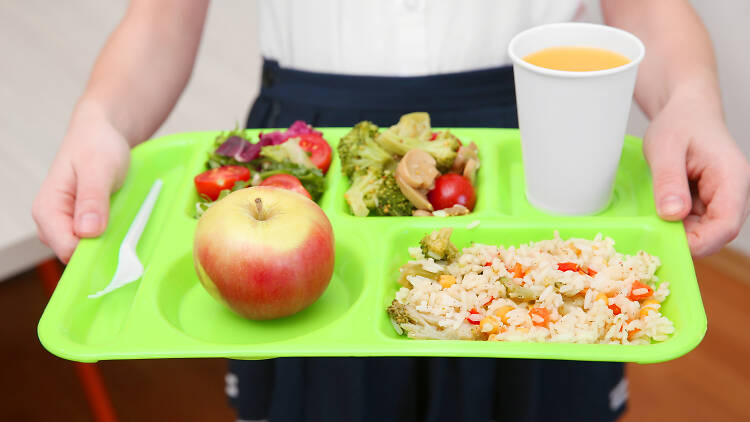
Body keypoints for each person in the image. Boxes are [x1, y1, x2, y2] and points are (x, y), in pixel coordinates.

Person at [32, 0, 750, 421]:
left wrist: (690, 96)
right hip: (307, 151)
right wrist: (102, 119)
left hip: (530, 139)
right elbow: (160, 21)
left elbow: (649, 12)